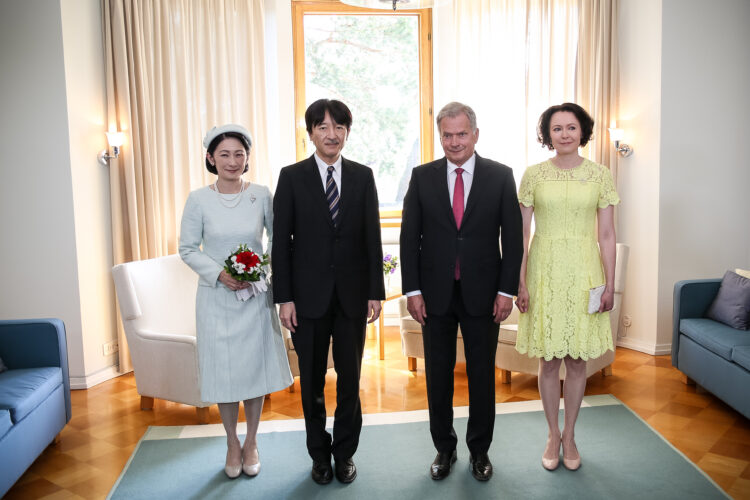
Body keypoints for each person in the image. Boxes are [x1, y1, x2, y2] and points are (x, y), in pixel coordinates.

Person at [400, 102, 523, 482]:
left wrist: (505, 291)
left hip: (484, 294)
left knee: (482, 374)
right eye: (447, 135)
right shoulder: (422, 177)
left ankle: (480, 451)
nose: (454, 142)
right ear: (440, 136)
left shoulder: (501, 176)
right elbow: (409, 238)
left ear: (475, 134)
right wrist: (413, 290)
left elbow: (514, 239)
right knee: (437, 375)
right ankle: (444, 449)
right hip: (433, 294)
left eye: (461, 134)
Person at [272, 99, 385, 485]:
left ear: (347, 133)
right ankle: (318, 454)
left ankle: (345, 453)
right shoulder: (291, 177)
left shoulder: (363, 175)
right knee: (313, 383)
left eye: (338, 127)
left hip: (353, 297)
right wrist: (284, 298)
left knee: (351, 381)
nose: (331, 134)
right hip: (307, 299)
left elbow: (373, 235)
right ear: (311, 133)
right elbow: (280, 244)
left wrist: (375, 291)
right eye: (322, 127)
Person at [179, 124, 293, 479]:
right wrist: (219, 274)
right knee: (224, 371)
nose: (232, 161)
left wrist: (261, 268)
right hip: (216, 298)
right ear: (211, 158)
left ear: (247, 158)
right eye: (224, 154)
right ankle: (231, 441)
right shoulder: (198, 198)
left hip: (254, 296)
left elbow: (277, 238)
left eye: (239, 154)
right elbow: (186, 248)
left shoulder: (261, 193)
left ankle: (252, 441)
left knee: (252, 369)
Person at [515, 103, 619, 471]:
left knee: (577, 360)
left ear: (582, 132)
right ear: (547, 134)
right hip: (543, 271)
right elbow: (520, 235)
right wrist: (521, 280)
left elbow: (606, 234)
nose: (564, 134)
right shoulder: (533, 175)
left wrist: (609, 284)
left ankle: (571, 434)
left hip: (584, 272)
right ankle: (551, 434)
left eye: (571, 127)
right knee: (548, 360)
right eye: (556, 128)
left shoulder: (600, 175)